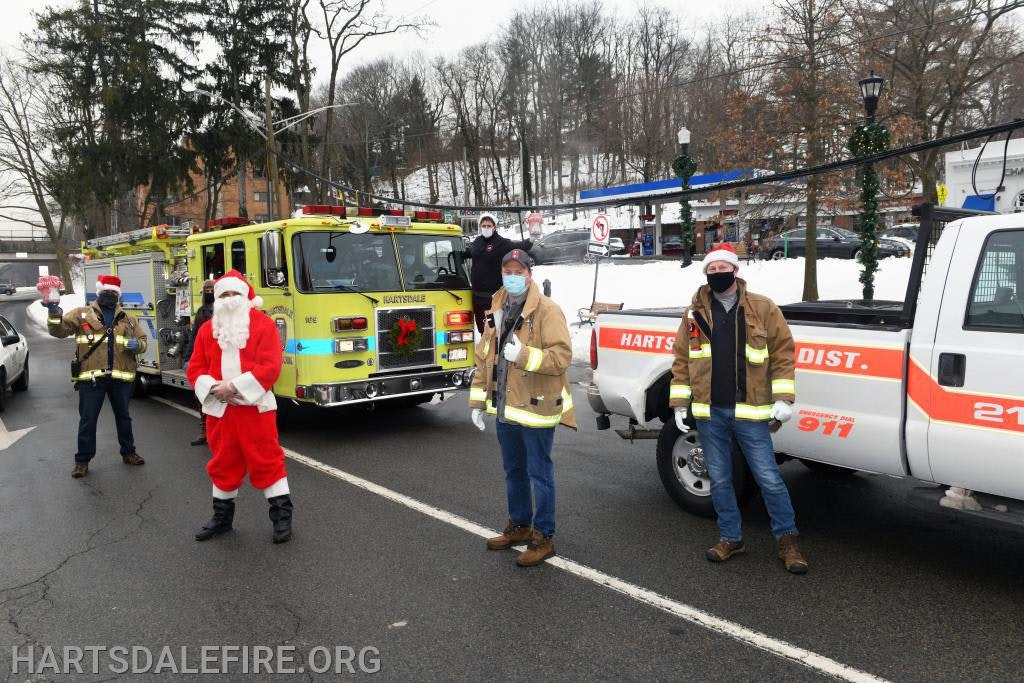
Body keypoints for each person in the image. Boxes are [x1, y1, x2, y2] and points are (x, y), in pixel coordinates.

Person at [668, 243, 808, 574]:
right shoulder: (694, 314)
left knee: (769, 478)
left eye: (723, 269)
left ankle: (787, 540)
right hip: (709, 412)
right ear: (706, 275)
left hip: (751, 411)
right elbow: (682, 360)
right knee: (719, 479)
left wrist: (784, 398)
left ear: (735, 271)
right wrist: (679, 404)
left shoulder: (762, 307)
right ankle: (731, 537)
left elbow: (783, 351)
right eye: (711, 270)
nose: (718, 275)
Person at [468, 249, 574, 567]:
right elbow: (484, 358)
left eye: (518, 271)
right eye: (507, 271)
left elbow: (562, 357)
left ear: (530, 274)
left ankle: (543, 536)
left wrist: (524, 355)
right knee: (513, 472)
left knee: (539, 474)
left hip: (537, 407)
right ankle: (519, 525)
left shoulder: (547, 310)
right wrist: (477, 402)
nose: (512, 276)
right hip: (506, 407)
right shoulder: (496, 307)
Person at [186, 270, 293, 544]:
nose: (230, 299)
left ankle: (282, 519)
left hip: (255, 408)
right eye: (224, 294)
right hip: (220, 411)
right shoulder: (206, 331)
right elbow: (195, 367)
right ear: (216, 298)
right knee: (223, 463)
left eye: (235, 293)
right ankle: (222, 520)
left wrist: (234, 386)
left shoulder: (263, 325)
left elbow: (271, 366)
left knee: (266, 460)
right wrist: (214, 388)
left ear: (246, 297)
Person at [45, 274, 148, 478]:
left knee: (124, 418)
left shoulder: (129, 319)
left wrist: (139, 345)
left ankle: (129, 452)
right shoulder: (82, 314)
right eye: (105, 292)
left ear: (117, 296)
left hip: (121, 378)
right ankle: (82, 462)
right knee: (88, 420)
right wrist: (54, 313)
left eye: (112, 293)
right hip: (91, 379)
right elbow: (59, 331)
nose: (108, 295)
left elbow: (143, 341)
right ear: (98, 293)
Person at [462, 213, 532, 333]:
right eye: (483, 225)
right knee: (481, 328)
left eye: (489, 225)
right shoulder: (477, 241)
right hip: (477, 294)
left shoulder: (501, 243)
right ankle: (486, 348)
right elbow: (470, 253)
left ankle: (497, 350)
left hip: (494, 295)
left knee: (495, 329)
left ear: (494, 227)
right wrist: (457, 254)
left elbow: (520, 246)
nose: (486, 228)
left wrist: (532, 239)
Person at [183, 279, 215, 446]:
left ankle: (217, 432)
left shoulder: (223, 310)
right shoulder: (201, 312)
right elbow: (194, 338)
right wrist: (188, 359)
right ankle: (204, 430)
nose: (209, 292)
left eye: (212, 288)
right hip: (203, 359)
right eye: (206, 289)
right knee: (201, 396)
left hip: (217, 360)